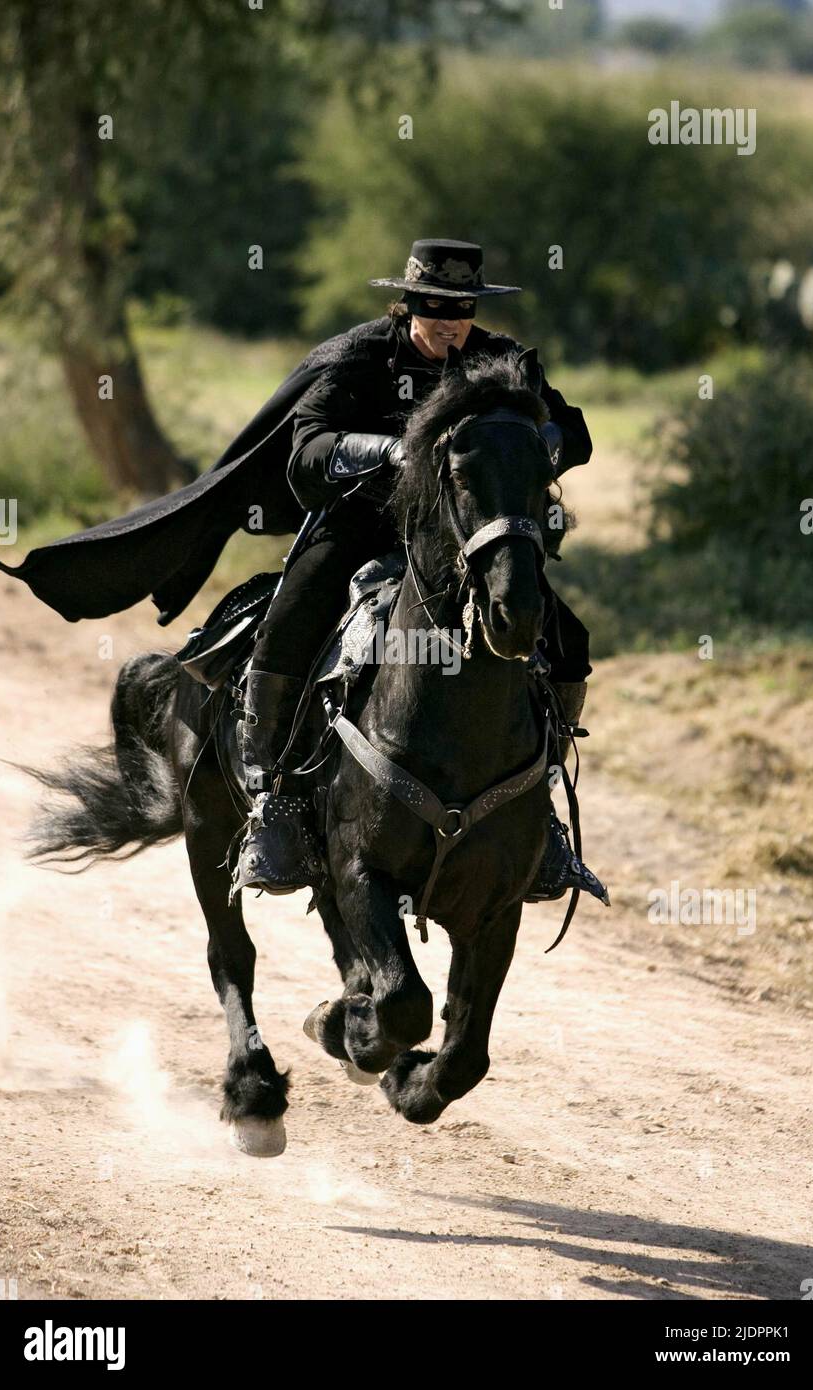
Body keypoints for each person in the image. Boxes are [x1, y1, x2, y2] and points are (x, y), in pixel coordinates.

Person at [231, 239, 606, 908]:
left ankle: (541, 809)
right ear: (407, 304)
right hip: (363, 522)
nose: (449, 321)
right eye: (434, 307)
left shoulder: (501, 360)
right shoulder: (360, 357)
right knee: (289, 622)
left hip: (465, 535)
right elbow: (309, 446)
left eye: (461, 307)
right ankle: (274, 803)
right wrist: (388, 451)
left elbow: (572, 430)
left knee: (566, 638)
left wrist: (533, 442)